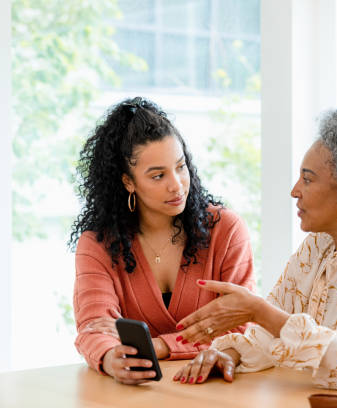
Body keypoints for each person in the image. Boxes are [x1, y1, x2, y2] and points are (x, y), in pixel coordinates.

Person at [172, 103, 337, 390]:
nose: (295, 190)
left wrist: (258, 311)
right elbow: (269, 333)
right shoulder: (317, 245)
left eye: (307, 179)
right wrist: (226, 354)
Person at [70, 97, 255, 385]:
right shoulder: (98, 244)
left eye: (180, 167)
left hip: (216, 394)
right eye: (158, 175)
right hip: (134, 397)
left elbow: (240, 329)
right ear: (128, 182)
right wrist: (111, 357)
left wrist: (159, 346)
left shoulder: (225, 229)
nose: (176, 185)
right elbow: (94, 327)